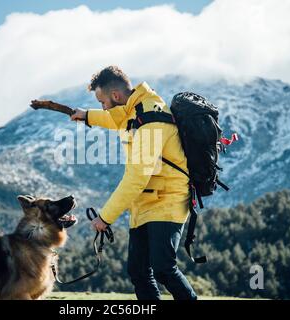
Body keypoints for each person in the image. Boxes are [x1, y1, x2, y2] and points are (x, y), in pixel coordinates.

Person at [70, 66, 197, 300]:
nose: (103, 107)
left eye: (102, 101)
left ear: (116, 96)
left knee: (163, 269)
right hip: (145, 204)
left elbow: (137, 178)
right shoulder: (134, 110)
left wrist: (105, 217)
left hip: (167, 201)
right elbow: (115, 119)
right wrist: (86, 115)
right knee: (138, 272)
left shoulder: (150, 117)